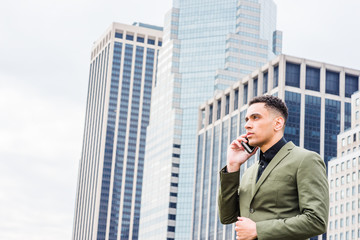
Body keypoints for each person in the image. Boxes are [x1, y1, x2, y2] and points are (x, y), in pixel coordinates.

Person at [218, 95, 329, 240]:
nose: (247, 125)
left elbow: (316, 221)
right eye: (247, 120)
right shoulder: (249, 172)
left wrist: (259, 230)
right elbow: (227, 217)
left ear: (277, 123)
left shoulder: (306, 160)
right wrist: (233, 165)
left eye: (255, 117)